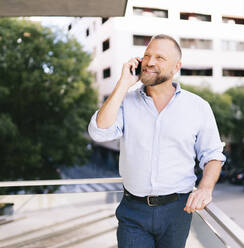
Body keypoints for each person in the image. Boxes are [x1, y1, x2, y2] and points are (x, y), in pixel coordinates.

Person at [88, 34, 225, 248]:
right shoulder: (125, 101)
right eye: (147, 55)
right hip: (133, 210)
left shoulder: (198, 107)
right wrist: (123, 84)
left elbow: (213, 155)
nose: (150, 62)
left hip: (178, 211)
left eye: (160, 57)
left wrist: (205, 188)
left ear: (176, 66)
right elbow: (99, 132)